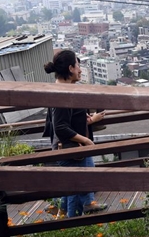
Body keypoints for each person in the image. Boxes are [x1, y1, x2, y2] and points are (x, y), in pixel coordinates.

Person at [43, 49, 106, 217]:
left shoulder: (64, 89)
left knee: (78, 184)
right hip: (70, 149)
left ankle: (63, 210)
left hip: (71, 148)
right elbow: (61, 127)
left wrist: (89, 120)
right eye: (78, 65)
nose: (80, 69)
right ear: (70, 68)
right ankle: (73, 223)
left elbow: (66, 120)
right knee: (76, 190)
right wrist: (86, 140)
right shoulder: (62, 94)